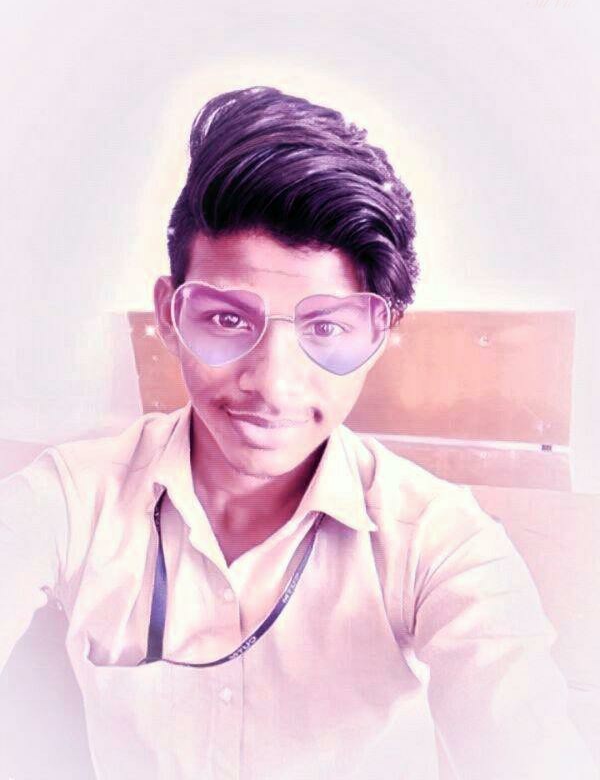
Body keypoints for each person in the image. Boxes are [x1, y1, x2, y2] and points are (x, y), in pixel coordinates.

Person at [0, 85, 596, 780]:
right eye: (227, 319)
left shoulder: (440, 543)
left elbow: (524, 738)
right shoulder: (71, 500)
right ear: (169, 315)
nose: (273, 383)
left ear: (377, 335)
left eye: (326, 327)